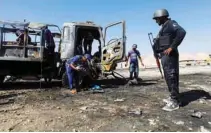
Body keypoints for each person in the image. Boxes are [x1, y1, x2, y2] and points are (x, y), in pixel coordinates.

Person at [152, 9, 186, 111]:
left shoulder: (171, 23)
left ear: (162, 17)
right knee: (168, 76)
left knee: (171, 76)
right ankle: (173, 97)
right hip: (164, 56)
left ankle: (175, 101)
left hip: (170, 55)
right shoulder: (164, 27)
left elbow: (182, 32)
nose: (156, 21)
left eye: (157, 19)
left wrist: (172, 47)